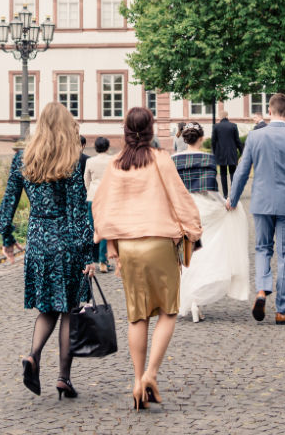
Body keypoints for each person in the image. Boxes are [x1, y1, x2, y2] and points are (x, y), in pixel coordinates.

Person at [92, 107, 202, 410]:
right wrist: (193, 230)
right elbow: (180, 198)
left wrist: (111, 243)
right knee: (168, 311)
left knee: (137, 315)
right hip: (159, 242)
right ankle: (152, 374)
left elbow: (103, 205)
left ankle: (137, 380)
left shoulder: (116, 164)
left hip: (129, 247)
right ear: (151, 129)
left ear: (125, 130)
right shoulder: (161, 160)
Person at [0, 102, 99, 400]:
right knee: (69, 310)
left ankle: (33, 355)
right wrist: (89, 254)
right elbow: (79, 213)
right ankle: (63, 378)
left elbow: (6, 207)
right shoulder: (74, 161)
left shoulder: (22, 159)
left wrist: (7, 238)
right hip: (68, 242)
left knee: (47, 308)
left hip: (39, 241)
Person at [227, 93, 285, 325]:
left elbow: (241, 170)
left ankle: (261, 290)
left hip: (261, 203)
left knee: (262, 248)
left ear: (270, 111)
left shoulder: (255, 137)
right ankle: (282, 310)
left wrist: (233, 198)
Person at [172, 122, 250, 322]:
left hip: (182, 211)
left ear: (184, 138)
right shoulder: (208, 159)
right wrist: (227, 203)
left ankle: (188, 298)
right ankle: (197, 299)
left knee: (186, 254)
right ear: (201, 138)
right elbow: (212, 191)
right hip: (204, 210)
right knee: (205, 252)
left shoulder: (173, 160)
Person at [83, 136, 114, 272]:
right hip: (107, 196)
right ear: (107, 147)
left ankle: (90, 259)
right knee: (104, 229)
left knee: (93, 227)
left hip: (93, 197)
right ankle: (103, 260)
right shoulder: (112, 160)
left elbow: (86, 179)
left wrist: (90, 190)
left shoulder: (90, 161)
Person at [211, 108, 244, 197]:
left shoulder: (216, 126)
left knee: (223, 174)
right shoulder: (233, 126)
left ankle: (225, 195)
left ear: (220, 117)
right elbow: (237, 141)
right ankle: (233, 194)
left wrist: (213, 154)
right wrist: (242, 152)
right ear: (227, 116)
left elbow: (213, 141)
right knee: (233, 173)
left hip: (221, 154)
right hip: (232, 153)